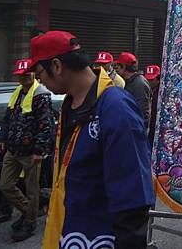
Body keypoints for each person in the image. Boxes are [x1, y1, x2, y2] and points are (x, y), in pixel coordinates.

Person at [28, 31, 154, 249]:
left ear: (57, 66)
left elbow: (133, 196)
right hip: (69, 232)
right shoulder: (69, 104)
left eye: (40, 75)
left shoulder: (116, 108)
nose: (40, 82)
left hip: (99, 238)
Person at [0, 58, 53, 242]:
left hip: (30, 152)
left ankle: (29, 222)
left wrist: (39, 150)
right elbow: (7, 118)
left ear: (34, 74)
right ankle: (31, 212)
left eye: (26, 76)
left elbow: (45, 125)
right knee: (5, 185)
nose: (23, 79)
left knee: (32, 189)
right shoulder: (18, 93)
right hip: (13, 149)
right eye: (20, 76)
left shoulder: (41, 95)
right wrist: (2, 137)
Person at [115, 52, 151, 128]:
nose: (116, 68)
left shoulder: (139, 84)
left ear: (124, 67)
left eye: (118, 65)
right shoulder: (128, 81)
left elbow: (142, 112)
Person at [144, 64, 161, 148]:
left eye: (151, 80)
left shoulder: (159, 94)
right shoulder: (148, 90)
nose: (148, 82)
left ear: (158, 79)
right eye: (147, 79)